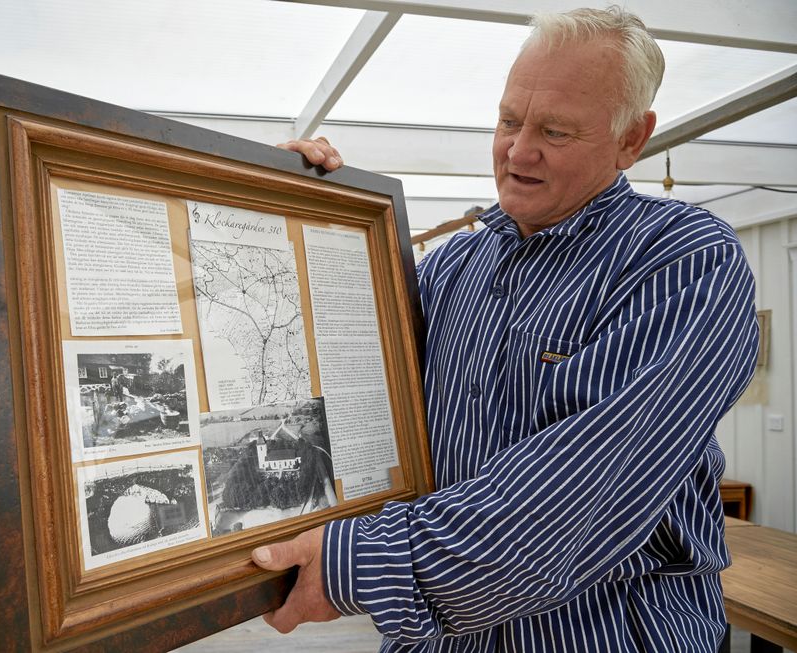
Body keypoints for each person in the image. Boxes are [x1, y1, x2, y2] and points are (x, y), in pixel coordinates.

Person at [251, 7, 759, 652]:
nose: (519, 151)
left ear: (633, 138)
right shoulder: (450, 268)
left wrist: (368, 561)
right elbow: (336, 370)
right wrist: (276, 212)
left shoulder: (682, 258)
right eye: (509, 120)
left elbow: (588, 484)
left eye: (555, 130)